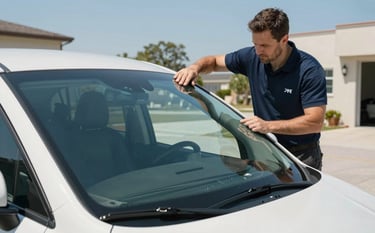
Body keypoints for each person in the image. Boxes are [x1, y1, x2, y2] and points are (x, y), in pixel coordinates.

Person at [174, 8, 327, 170]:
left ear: (284, 39)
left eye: (264, 45)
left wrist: (268, 126)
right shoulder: (252, 57)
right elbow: (213, 61)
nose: (258, 51)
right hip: (265, 151)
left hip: (301, 155)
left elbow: (315, 122)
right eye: (255, 44)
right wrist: (194, 68)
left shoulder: (309, 70)